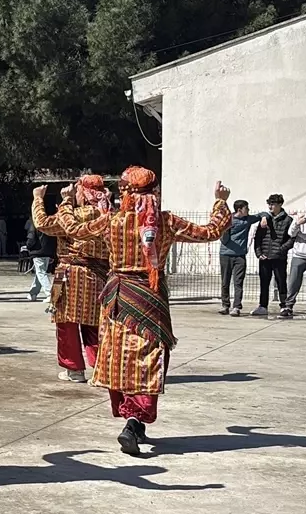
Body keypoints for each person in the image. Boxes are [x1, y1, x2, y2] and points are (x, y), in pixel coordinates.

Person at [58, 170, 230, 456]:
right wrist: (220, 202)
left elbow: (73, 228)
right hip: (150, 297)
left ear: (125, 192)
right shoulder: (167, 221)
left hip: (119, 298)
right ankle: (135, 421)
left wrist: (65, 203)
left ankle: (131, 418)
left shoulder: (112, 221)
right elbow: (210, 231)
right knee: (148, 358)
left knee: (119, 357)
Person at [32, 176, 110, 383]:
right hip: (99, 275)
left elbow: (43, 223)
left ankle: (73, 369)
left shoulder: (73, 215)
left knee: (66, 324)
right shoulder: (110, 215)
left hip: (70, 274)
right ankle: (101, 368)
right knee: (94, 324)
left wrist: (38, 199)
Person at [251, 194, 293, 316]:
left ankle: (284, 306)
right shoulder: (265, 219)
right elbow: (257, 237)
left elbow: (291, 239)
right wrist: (259, 253)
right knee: (264, 282)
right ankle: (263, 306)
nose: (270, 206)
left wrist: (281, 250)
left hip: (279, 257)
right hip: (265, 257)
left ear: (280, 205)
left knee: (281, 281)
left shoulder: (288, 220)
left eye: (273, 204)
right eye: (269, 203)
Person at [282, 197, 306, 319]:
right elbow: (291, 233)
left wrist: (304, 236)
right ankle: (288, 306)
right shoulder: (302, 218)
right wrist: (297, 224)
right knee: (293, 282)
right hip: (299, 255)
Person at [218, 200, 254, 316]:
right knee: (225, 281)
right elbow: (223, 239)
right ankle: (225, 305)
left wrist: (263, 218)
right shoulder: (228, 220)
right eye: (246, 208)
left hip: (240, 255)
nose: (248, 211)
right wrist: (225, 231)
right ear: (239, 210)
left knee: (238, 282)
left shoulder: (247, 219)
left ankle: (237, 307)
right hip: (226, 254)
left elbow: (262, 215)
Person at [24, 204, 57, 303]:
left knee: (41, 272)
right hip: (48, 250)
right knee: (40, 272)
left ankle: (50, 293)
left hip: (38, 251)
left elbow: (31, 237)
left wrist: (28, 246)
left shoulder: (35, 222)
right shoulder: (51, 221)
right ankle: (33, 293)